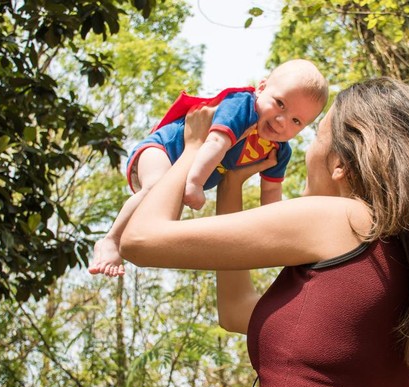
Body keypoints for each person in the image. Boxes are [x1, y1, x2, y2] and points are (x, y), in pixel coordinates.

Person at [117, 77, 409, 387]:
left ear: (341, 164)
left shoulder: (345, 218)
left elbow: (140, 240)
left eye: (314, 137)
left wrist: (192, 149)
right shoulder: (399, 258)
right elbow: (236, 311)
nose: (302, 147)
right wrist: (232, 182)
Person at [89, 59, 329, 276]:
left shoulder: (278, 151)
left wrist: (278, 232)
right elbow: (215, 142)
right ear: (262, 88)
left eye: (296, 121)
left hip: (185, 171)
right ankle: (111, 239)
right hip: (164, 149)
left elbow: (271, 193)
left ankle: (128, 242)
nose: (281, 121)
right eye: (280, 104)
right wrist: (195, 182)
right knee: (155, 187)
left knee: (163, 222)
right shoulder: (242, 107)